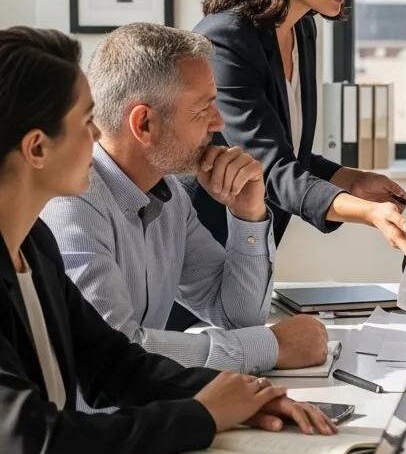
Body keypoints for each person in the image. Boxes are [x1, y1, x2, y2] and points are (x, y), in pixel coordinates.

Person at [0, 27, 336, 454]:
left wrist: (240, 397)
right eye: (86, 122)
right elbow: (32, 438)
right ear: (36, 149)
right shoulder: (66, 217)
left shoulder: (34, 246)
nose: (98, 135)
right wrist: (205, 412)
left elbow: (114, 364)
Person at [41, 23, 327, 376]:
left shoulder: (170, 195)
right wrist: (271, 347)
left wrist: (248, 215)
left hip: (148, 413)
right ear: (144, 123)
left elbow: (236, 317)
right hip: (97, 426)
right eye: (203, 108)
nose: (219, 123)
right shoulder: (71, 206)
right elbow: (116, 352)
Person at [192, 0, 406, 250]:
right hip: (203, 253)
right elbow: (270, 169)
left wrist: (349, 178)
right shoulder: (226, 40)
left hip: (253, 252)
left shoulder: (302, 30)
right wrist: (367, 212)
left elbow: (289, 153)